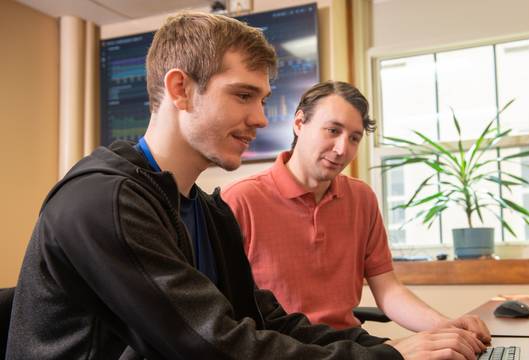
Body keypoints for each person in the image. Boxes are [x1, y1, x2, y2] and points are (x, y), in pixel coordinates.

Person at [6, 12, 485, 360]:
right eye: (242, 96)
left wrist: (397, 346)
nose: (259, 118)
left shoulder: (205, 211)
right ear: (180, 90)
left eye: (262, 99)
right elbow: (208, 345)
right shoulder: (105, 203)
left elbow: (266, 321)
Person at [222, 81, 492, 339]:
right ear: (299, 123)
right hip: (285, 348)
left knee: (447, 351)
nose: (342, 149)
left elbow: (388, 290)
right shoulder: (240, 200)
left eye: (354, 138)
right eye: (332, 130)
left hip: (352, 344)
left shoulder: (362, 198)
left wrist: (447, 327)